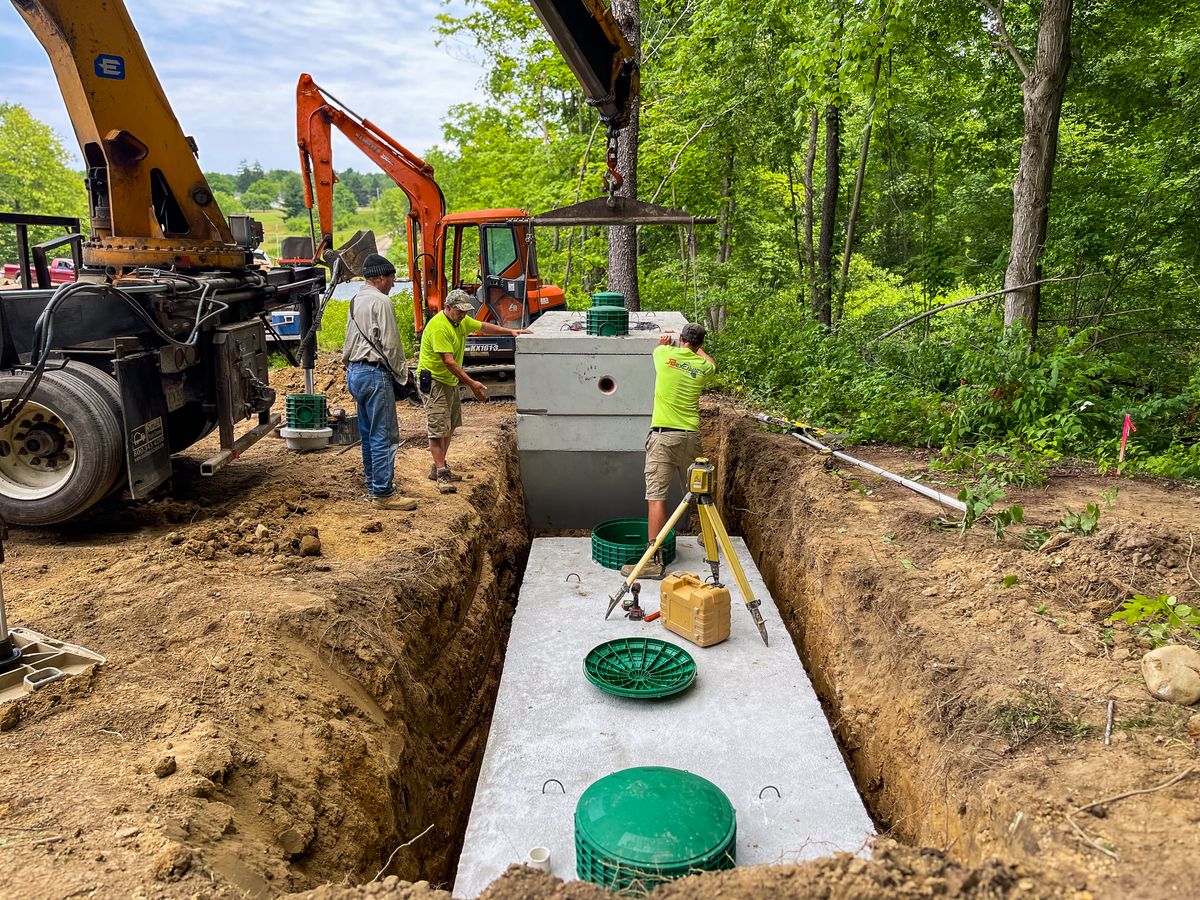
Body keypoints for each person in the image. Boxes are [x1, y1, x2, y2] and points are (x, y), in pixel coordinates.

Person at [622, 322, 716, 579]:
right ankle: (709, 542)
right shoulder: (703, 366)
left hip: (664, 437)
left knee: (656, 497)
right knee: (700, 492)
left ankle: (653, 561)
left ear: (681, 338)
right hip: (691, 437)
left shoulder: (664, 356)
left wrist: (666, 342)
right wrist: (698, 351)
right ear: (699, 344)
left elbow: (659, 347)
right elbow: (711, 362)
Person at [417, 289, 531, 494]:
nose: (463, 315)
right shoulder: (439, 327)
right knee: (437, 429)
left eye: (465, 311)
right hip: (435, 381)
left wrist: (511, 332)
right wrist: (472, 384)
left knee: (450, 425)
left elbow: (484, 327)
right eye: (459, 311)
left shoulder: (460, 321)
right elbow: (449, 361)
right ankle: (442, 474)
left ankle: (439, 467)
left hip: (449, 381)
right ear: (448, 307)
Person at [342, 253, 418, 511]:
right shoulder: (381, 302)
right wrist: (403, 376)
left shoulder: (355, 300)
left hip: (355, 371)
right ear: (382, 277)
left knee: (367, 433)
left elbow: (349, 342)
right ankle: (384, 493)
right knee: (384, 435)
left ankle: (373, 484)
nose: (393, 285)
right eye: (392, 279)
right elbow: (392, 345)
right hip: (375, 374)